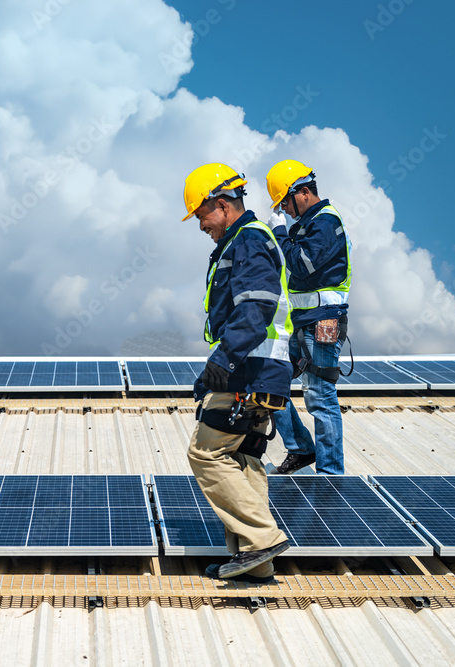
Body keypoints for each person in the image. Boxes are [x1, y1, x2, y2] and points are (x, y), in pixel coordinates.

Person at [181, 163, 293, 582]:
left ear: (222, 205)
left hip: (249, 367)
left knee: (207, 452)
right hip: (264, 370)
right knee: (242, 458)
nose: (200, 226)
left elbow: (255, 305)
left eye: (201, 215)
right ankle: (256, 560)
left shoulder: (246, 241)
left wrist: (225, 360)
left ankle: (262, 539)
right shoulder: (248, 240)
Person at [264, 160, 352, 476]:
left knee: (318, 392)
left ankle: (330, 474)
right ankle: (302, 449)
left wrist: (279, 232)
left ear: (303, 192)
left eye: (285, 201)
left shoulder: (326, 223)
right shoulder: (305, 225)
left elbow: (302, 265)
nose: (284, 209)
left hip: (325, 322)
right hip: (303, 323)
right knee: (268, 380)